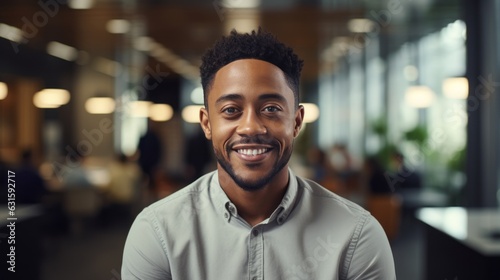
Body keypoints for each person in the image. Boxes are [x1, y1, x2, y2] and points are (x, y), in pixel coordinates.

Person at [122, 28, 396, 279]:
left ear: (297, 122)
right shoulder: (157, 231)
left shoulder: (356, 236)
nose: (251, 127)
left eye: (271, 109)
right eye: (231, 110)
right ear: (207, 123)